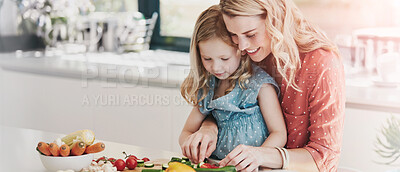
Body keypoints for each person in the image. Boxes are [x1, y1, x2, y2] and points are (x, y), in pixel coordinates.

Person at [181, 0, 346, 172]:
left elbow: (324, 158)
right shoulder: (247, 53)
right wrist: (210, 126)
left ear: (276, 19)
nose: (242, 47)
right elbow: (227, 108)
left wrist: (262, 155)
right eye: (234, 35)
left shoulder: (322, 63)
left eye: (251, 34)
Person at [179, 4, 287, 164]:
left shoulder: (260, 85)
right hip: (214, 166)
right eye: (207, 58)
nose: (216, 67)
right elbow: (186, 132)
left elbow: (279, 133)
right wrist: (191, 145)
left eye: (224, 59)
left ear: (241, 50)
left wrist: (258, 158)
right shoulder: (208, 87)